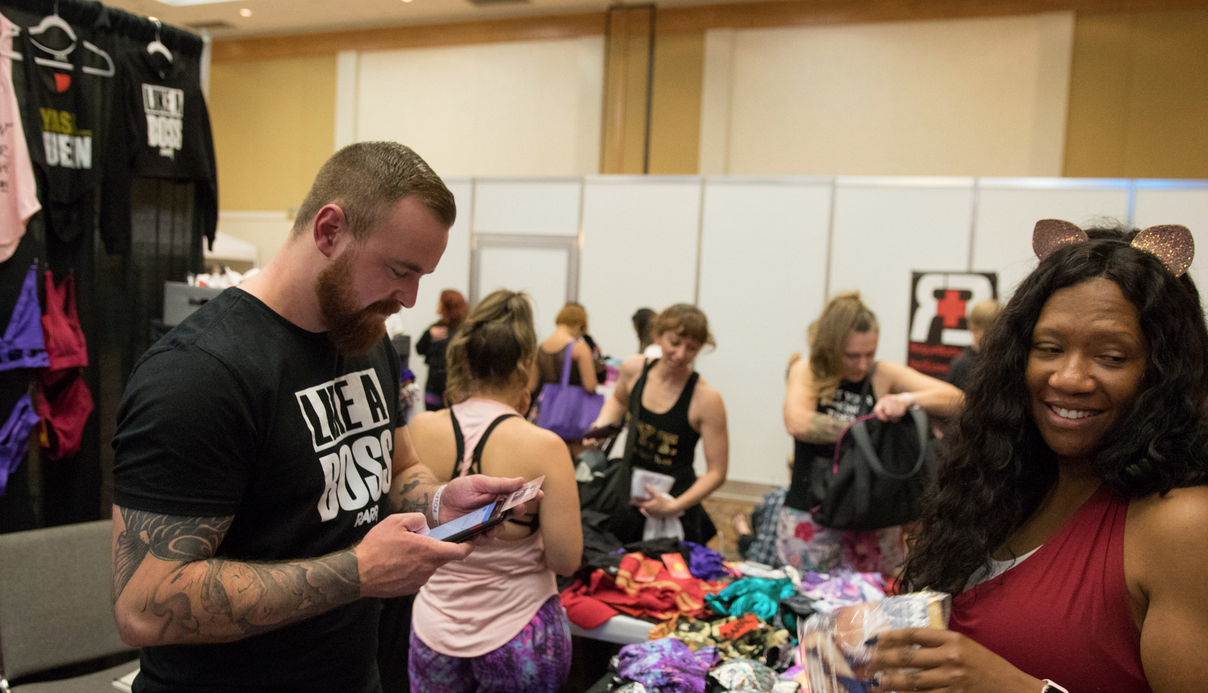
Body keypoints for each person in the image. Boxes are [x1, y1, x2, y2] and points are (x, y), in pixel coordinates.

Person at [109, 141, 530, 693]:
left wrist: (437, 504)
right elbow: (145, 606)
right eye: (400, 270)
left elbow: (397, 466)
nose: (409, 297)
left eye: (422, 275)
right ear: (329, 230)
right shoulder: (199, 374)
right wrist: (358, 574)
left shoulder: (363, 335)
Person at [871, 223, 1208, 693]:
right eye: (1049, 349)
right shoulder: (1005, 484)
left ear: (1164, 373)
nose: (1069, 378)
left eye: (1111, 357)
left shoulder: (1181, 526)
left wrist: (1019, 688)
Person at [406, 289, 582, 692]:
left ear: (465, 359)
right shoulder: (545, 447)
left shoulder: (422, 428)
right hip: (519, 629)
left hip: (434, 628)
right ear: (525, 365)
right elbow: (566, 559)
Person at [780, 291, 962, 575]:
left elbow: (957, 400)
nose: (862, 364)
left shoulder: (882, 374)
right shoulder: (807, 371)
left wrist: (907, 399)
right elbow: (798, 423)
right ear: (830, 346)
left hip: (875, 518)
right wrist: (872, 430)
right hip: (813, 516)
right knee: (809, 604)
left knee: (875, 609)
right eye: (852, 355)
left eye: (870, 354)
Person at [589, 303, 729, 544]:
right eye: (674, 343)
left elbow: (717, 472)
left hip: (676, 500)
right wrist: (600, 426)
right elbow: (618, 401)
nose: (681, 354)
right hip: (627, 491)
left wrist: (674, 505)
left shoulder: (706, 399)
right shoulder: (634, 369)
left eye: (692, 349)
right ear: (658, 336)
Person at [415, 288, 468, 410]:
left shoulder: (462, 332)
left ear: (445, 307)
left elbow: (419, 349)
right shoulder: (462, 331)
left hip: (451, 389)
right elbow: (419, 349)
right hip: (446, 388)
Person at [945, 297, 1000, 390]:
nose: (995, 336)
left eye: (998, 330)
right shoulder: (961, 365)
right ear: (973, 329)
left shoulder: (1005, 359)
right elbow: (953, 399)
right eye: (989, 331)